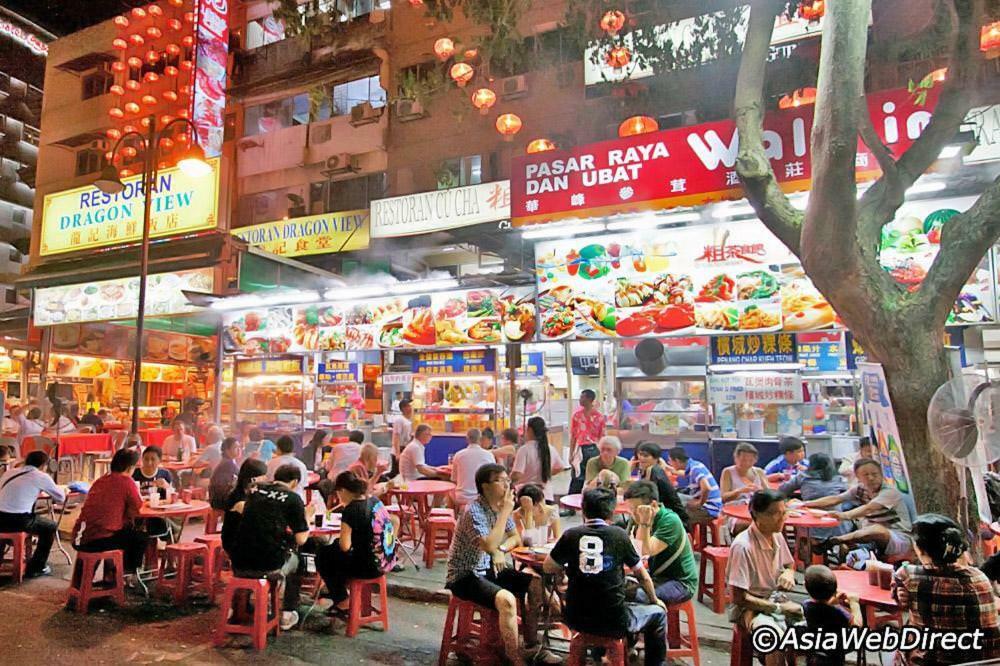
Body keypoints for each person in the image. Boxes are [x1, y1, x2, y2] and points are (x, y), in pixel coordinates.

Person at [445, 463, 558, 666]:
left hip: (489, 569)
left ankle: (532, 646)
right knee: (507, 600)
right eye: (500, 480)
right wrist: (506, 512)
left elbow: (515, 538)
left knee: (535, 583)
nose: (507, 485)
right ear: (485, 486)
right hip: (465, 575)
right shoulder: (474, 511)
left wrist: (502, 550)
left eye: (508, 480)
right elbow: (488, 544)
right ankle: (513, 656)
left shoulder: (497, 508)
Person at [544, 487, 667, 666]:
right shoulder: (619, 536)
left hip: (576, 618)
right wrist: (655, 599)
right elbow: (642, 576)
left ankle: (598, 656)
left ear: (583, 510)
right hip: (613, 622)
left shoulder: (571, 535)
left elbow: (548, 567)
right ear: (612, 511)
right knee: (658, 613)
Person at [893, 513, 1000, 665]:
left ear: (920, 549)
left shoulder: (908, 575)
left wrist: (900, 592)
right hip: (986, 662)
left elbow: (899, 597)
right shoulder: (980, 577)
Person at [228, 463, 311, 630]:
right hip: (269, 564)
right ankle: (288, 612)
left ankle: (237, 608)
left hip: (237, 561)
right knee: (300, 561)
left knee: (252, 550)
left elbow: (240, 508)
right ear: (295, 482)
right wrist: (307, 516)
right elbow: (301, 539)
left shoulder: (254, 489)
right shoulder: (293, 498)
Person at [728, 489, 801, 666]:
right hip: (749, 606)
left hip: (774, 598)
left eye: (784, 513)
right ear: (757, 515)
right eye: (775, 514)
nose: (782, 518)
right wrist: (779, 608)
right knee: (773, 638)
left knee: (816, 629)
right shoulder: (743, 546)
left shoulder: (776, 535)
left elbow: (790, 564)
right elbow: (739, 598)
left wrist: (789, 574)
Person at [316, 471, 398, 613]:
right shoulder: (374, 501)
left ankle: (342, 600)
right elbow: (393, 521)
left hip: (369, 566)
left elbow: (345, 546)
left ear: (342, 491)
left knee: (323, 555)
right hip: (387, 559)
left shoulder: (351, 510)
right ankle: (335, 589)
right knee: (333, 553)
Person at [806, 458, 915, 561]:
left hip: (899, 538)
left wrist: (843, 515)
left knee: (877, 529)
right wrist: (805, 504)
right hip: (868, 534)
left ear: (881, 474)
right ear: (858, 477)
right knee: (847, 548)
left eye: (874, 474)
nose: (871, 478)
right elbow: (836, 499)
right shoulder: (860, 490)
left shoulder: (889, 492)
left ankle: (833, 541)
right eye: (866, 475)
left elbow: (868, 509)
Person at [73, 448, 148, 574]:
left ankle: (110, 576)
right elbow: (138, 508)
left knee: (121, 531)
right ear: (130, 468)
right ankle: (125, 574)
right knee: (140, 537)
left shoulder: (100, 480)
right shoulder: (126, 481)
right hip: (100, 539)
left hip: (80, 536)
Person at [624, 480, 698, 605]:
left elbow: (644, 551)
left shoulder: (670, 520)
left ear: (653, 505)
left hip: (679, 582)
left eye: (636, 509)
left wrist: (644, 523)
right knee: (615, 588)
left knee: (639, 596)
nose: (633, 514)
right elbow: (631, 549)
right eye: (630, 509)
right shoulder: (636, 517)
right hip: (655, 575)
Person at [0, 450, 65, 578]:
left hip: (0, 517)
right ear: (43, 465)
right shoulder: (41, 476)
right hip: (19, 520)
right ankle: (37, 567)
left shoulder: (9, 472)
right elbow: (61, 497)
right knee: (50, 526)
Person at [800, 565, 862, 666]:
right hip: (836, 650)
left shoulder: (806, 605)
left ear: (805, 587)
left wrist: (833, 600)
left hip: (816, 647)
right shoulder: (838, 612)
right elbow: (857, 624)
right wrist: (854, 603)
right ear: (834, 590)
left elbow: (822, 607)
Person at [633, 441, 689, 529]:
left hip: (674, 520)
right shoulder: (647, 470)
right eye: (640, 454)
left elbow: (650, 499)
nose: (641, 458)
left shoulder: (655, 472)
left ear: (655, 459)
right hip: (662, 514)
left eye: (646, 456)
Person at [511, 416, 566, 502]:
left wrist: (508, 478)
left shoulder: (524, 450)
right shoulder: (550, 448)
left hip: (527, 497)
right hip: (546, 495)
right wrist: (546, 473)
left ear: (530, 430)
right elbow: (560, 467)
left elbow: (517, 474)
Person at [221, 458, 268, 554]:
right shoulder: (238, 497)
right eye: (264, 476)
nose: (267, 479)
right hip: (235, 542)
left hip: (247, 538)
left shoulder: (253, 493)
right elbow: (257, 516)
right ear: (253, 479)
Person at [132, 445, 178, 540]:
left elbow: (173, 497)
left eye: (153, 459)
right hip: (138, 511)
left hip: (157, 511)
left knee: (160, 520)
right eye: (146, 459)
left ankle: (171, 542)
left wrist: (167, 486)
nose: (149, 463)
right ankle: (174, 531)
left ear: (159, 461)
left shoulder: (165, 474)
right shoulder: (134, 473)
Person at [667, 446, 722, 525]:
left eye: (670, 461)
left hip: (710, 509)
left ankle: (687, 535)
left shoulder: (695, 469)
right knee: (677, 497)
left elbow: (706, 488)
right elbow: (682, 473)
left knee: (676, 517)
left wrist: (699, 504)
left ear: (677, 461)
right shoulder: (694, 465)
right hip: (709, 505)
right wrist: (667, 467)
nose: (670, 463)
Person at [568, 389, 606, 496]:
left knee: (595, 477)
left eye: (582, 397)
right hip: (580, 449)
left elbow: (602, 437)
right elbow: (573, 436)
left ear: (589, 399)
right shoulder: (577, 416)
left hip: (595, 449)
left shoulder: (599, 417)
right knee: (577, 476)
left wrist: (603, 453)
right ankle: (571, 504)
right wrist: (571, 454)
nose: (580, 399)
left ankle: (595, 502)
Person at [451, 428, 496, 507]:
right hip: (482, 497)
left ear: (467, 439)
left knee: (449, 492)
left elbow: (454, 480)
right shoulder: (489, 455)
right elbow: (493, 478)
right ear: (480, 439)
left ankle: (453, 516)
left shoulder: (458, 455)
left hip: (461, 498)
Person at [266, 435, 309, 500]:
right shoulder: (301, 465)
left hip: (275, 499)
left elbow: (267, 482)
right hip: (297, 500)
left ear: (278, 448)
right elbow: (303, 485)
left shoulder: (271, 463)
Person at [209, 437, 242, 510]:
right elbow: (242, 477)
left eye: (239, 447)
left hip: (218, 498)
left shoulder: (229, 461)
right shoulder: (228, 464)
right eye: (235, 447)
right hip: (220, 500)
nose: (239, 450)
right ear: (227, 451)